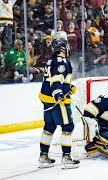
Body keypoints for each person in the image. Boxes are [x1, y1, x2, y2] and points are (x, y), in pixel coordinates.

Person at [38, 38, 80, 169]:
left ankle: (43, 156)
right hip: (57, 101)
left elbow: (58, 79)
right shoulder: (63, 62)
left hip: (46, 99)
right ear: (62, 48)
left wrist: (68, 87)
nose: (68, 48)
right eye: (66, 46)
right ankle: (67, 158)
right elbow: (56, 80)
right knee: (68, 126)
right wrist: (59, 94)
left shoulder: (51, 61)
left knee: (49, 127)